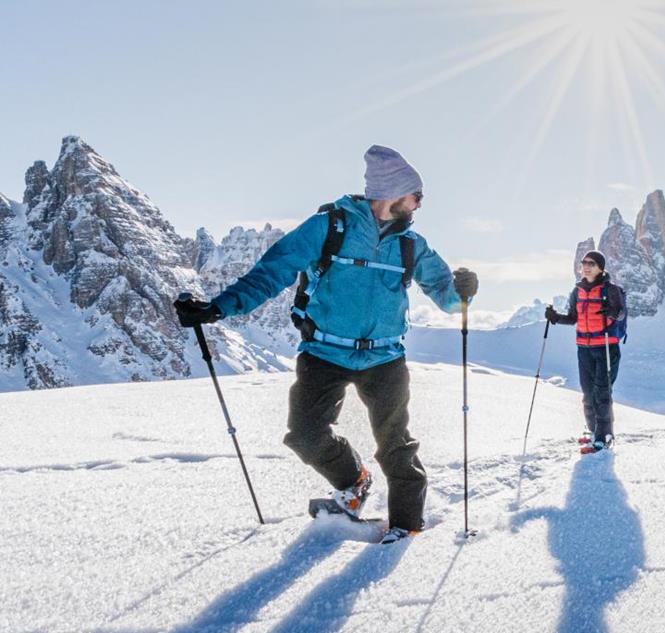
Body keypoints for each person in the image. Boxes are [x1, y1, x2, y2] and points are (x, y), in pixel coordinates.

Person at [173, 145, 478, 544]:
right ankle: (354, 481)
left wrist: (462, 292)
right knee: (304, 435)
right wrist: (217, 309)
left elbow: (446, 296)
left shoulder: (411, 244)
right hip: (323, 353)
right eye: (415, 194)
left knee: (396, 446)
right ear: (391, 192)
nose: (420, 203)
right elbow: (272, 272)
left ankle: (406, 528)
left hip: (384, 358)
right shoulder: (329, 227)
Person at [545, 250, 627, 452]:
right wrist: (555, 317)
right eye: (584, 262)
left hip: (606, 347)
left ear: (600, 267)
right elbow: (573, 318)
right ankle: (593, 431)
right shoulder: (577, 292)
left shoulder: (611, 290)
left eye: (592, 263)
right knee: (587, 392)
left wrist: (612, 312)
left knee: (602, 393)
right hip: (584, 348)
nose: (586, 266)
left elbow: (621, 312)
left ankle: (604, 436)